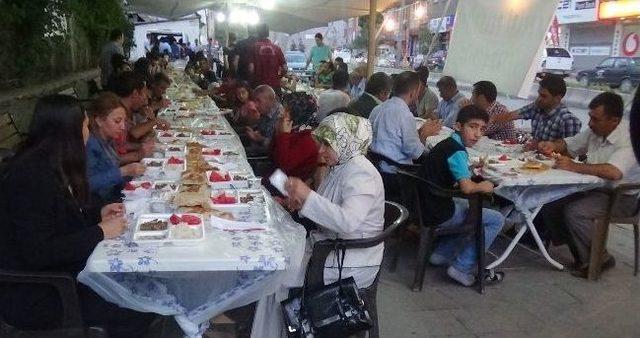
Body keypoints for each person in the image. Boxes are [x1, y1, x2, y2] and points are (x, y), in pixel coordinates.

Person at [0, 95, 157, 338]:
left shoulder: (50, 164)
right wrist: (101, 231)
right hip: (43, 292)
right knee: (140, 305)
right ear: (68, 132)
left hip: (66, 274)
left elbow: (58, 218)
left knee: (144, 287)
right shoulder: (30, 177)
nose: (88, 132)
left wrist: (97, 214)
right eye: (84, 126)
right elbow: (39, 252)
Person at [535, 92, 640, 278]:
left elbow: (614, 172)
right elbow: (570, 144)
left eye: (596, 119)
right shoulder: (595, 130)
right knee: (551, 202)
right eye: (590, 117)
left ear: (614, 121)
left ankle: (599, 260)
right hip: (596, 189)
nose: (590, 123)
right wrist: (551, 145)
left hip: (622, 198)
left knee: (575, 212)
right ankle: (580, 250)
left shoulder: (628, 138)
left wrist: (574, 166)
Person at [285, 113, 384, 288]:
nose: (321, 150)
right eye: (321, 143)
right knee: (279, 264)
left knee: (279, 277)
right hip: (331, 246)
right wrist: (302, 202)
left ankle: (287, 312)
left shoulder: (362, 174)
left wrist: (308, 197)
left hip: (350, 259)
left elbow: (348, 222)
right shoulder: (340, 166)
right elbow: (328, 207)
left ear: (346, 142)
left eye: (328, 144)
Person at [421, 105, 505, 286]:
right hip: (439, 212)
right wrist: (484, 185)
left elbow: (451, 172)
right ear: (458, 126)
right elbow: (467, 188)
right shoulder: (458, 151)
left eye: (482, 129)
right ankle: (461, 267)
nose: (477, 134)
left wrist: (470, 170)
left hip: (423, 205)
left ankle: (441, 254)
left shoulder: (447, 144)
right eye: (472, 127)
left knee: (466, 207)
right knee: (495, 219)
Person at [369, 71, 442, 201]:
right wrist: (424, 135)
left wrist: (419, 134)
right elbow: (415, 153)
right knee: (435, 162)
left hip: (375, 167)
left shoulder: (377, 109)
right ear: (413, 93)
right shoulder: (404, 114)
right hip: (397, 174)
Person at [86, 92, 146, 201]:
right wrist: (124, 171)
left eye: (124, 121)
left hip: (116, 193)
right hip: (103, 203)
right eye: (117, 121)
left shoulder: (107, 138)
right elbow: (88, 184)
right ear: (99, 120)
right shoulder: (91, 144)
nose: (123, 127)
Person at [492, 75, 581, 142]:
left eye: (544, 96)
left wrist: (539, 146)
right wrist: (484, 123)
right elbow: (510, 116)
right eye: (539, 94)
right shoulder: (537, 106)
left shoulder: (569, 120)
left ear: (558, 98)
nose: (538, 99)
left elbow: (570, 152)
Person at [110, 72, 165, 164]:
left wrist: (142, 146)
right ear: (135, 93)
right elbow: (133, 133)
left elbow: (123, 144)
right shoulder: (116, 113)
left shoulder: (130, 110)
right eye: (144, 92)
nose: (147, 96)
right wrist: (138, 154)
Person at [271, 92, 319, 182]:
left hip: (287, 190)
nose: (280, 111)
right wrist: (278, 132)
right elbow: (272, 156)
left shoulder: (306, 140)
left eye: (284, 109)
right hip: (275, 181)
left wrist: (284, 135)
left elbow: (283, 167)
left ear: (294, 115)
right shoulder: (292, 131)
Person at [248, 24, 287, 94]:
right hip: (274, 86)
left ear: (257, 33)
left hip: (259, 86)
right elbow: (285, 68)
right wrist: (278, 77)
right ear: (268, 33)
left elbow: (251, 69)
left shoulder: (253, 47)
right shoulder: (277, 48)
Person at [244, 85, 282, 154]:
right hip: (256, 146)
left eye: (259, 101)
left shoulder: (280, 117)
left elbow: (276, 147)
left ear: (271, 100)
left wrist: (259, 139)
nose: (256, 105)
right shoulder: (265, 111)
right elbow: (260, 130)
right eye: (255, 101)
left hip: (264, 156)